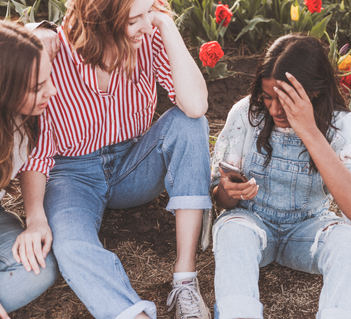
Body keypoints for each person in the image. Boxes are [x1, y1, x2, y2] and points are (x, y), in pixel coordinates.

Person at [23, 0, 212, 318]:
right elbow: (37, 149)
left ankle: (185, 280)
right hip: (72, 175)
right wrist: (35, 219)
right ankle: (131, 313)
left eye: (149, 13)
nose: (147, 25)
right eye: (135, 19)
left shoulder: (148, 37)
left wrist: (166, 25)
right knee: (70, 245)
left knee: (191, 123)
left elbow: (195, 106)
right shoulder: (53, 51)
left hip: (133, 163)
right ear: (99, 20)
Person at [210, 34, 351, 319]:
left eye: (285, 100)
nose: (275, 109)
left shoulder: (338, 125)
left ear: (313, 93)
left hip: (308, 228)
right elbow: (222, 200)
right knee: (232, 231)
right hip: (252, 223)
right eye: (268, 97)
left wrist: (309, 130)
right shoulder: (246, 114)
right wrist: (229, 191)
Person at [0, 21, 59, 319]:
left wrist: (43, 29)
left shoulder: (23, 122)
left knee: (39, 267)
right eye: (37, 87)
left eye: (49, 78)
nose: (53, 90)